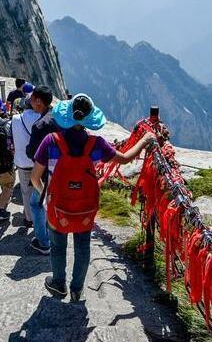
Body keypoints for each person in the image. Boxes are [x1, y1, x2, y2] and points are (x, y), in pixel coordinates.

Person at [31, 94, 155, 302]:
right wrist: (145, 140)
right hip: (85, 207)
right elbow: (124, 159)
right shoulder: (96, 144)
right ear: (89, 119)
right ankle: (77, 289)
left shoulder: (51, 142)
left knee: (58, 247)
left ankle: (58, 284)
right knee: (82, 246)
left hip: (57, 205)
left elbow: (35, 178)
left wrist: (46, 196)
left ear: (66, 115)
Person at [24, 86, 56, 254]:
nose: (30, 101)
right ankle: (54, 236)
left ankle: (44, 242)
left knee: (36, 204)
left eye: (32, 98)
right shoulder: (60, 117)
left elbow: (33, 153)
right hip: (63, 171)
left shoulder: (40, 125)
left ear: (38, 101)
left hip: (44, 174)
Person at [10, 97, 41, 230]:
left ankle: (29, 219)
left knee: (26, 192)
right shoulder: (41, 117)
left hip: (22, 161)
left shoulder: (16, 119)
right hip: (38, 161)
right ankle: (41, 216)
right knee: (40, 189)